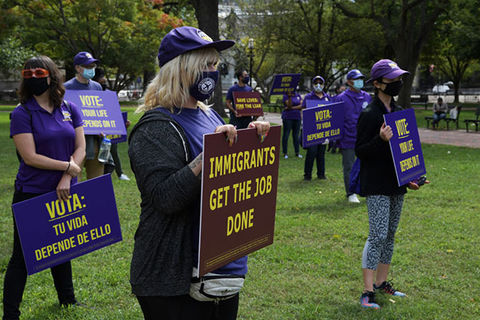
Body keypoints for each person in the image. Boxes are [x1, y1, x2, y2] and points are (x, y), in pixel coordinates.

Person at [128, 26, 270, 320]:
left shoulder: (209, 114)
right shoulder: (155, 126)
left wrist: (250, 143)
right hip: (171, 277)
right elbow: (164, 198)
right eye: (204, 65)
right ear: (180, 69)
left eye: (215, 65)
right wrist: (212, 155)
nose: (211, 72)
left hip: (219, 271)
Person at [4, 56, 85, 319]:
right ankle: (11, 314)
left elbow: (80, 147)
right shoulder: (21, 113)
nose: (35, 78)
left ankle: (68, 301)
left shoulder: (70, 108)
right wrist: (66, 168)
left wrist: (66, 176)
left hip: (64, 190)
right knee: (23, 255)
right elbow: (30, 157)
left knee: (63, 245)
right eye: (28, 74)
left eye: (39, 72)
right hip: (31, 191)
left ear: (51, 76)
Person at [356, 59, 426, 309]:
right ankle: (367, 291)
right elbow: (360, 151)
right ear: (377, 83)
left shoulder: (398, 112)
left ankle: (381, 282)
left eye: (399, 79)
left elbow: (405, 152)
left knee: (390, 235)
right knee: (377, 236)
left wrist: (412, 177)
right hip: (376, 185)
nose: (397, 83)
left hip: (396, 185)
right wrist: (380, 139)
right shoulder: (369, 113)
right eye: (391, 79)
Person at [64, 51, 104, 180]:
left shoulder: (97, 87)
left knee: (96, 181)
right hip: (75, 143)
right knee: (75, 179)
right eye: (87, 66)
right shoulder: (67, 88)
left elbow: (102, 111)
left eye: (93, 66)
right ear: (77, 68)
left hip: (95, 141)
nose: (91, 69)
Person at [335, 69, 372, 203]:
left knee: (366, 165)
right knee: (349, 166)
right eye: (356, 79)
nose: (359, 81)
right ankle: (350, 192)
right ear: (349, 82)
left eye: (361, 78)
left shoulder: (367, 97)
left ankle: (365, 190)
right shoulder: (341, 98)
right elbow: (335, 119)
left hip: (365, 138)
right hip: (348, 138)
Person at [92, 68, 131, 181]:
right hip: (96, 128)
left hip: (110, 127)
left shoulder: (109, 94)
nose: (103, 80)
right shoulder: (91, 94)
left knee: (113, 149)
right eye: (101, 78)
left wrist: (122, 124)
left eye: (103, 77)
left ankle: (119, 173)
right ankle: (102, 174)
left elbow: (115, 112)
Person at [302, 75, 332, 180]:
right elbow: (304, 111)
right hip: (312, 129)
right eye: (316, 83)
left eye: (320, 83)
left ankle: (321, 174)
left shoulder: (327, 97)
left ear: (323, 85)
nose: (318, 85)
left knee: (321, 153)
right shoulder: (308, 97)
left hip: (323, 129)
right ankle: (307, 175)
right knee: (312, 152)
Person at [281, 90, 303, 159]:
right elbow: (289, 105)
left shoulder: (298, 95)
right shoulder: (285, 96)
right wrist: (289, 97)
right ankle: (285, 153)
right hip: (288, 118)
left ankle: (297, 152)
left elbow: (301, 105)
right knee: (286, 135)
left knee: (296, 135)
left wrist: (292, 108)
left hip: (297, 117)